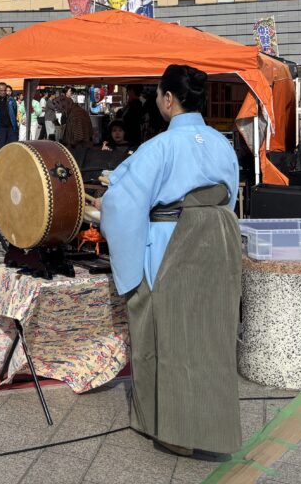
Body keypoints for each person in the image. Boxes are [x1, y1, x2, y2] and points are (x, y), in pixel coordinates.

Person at [95, 65, 241, 458]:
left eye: (160, 94)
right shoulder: (220, 143)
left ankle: (172, 429)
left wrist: (105, 211)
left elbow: (124, 204)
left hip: (172, 242)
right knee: (210, 333)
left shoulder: (160, 146)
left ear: (168, 99)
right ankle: (213, 425)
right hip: (219, 238)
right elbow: (228, 196)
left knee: (167, 335)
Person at [0, 83, 19, 150]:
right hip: (0, 128)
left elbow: (15, 111)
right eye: (1, 90)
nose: (3, 92)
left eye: (4, 90)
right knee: (1, 147)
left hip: (11, 127)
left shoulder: (11, 100)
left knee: (13, 147)